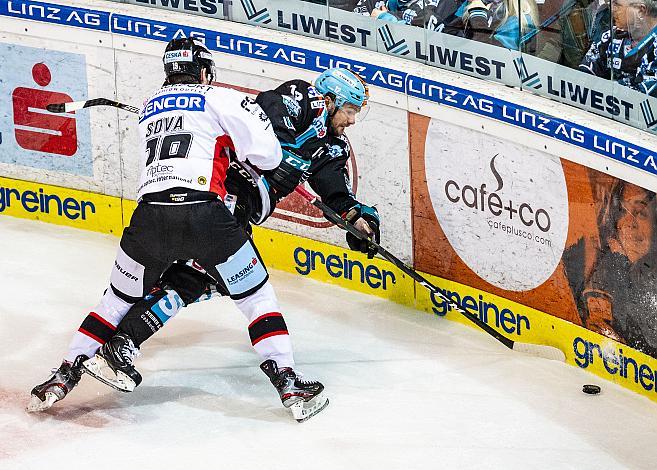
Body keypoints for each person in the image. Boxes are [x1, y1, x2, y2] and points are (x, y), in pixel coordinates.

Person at [27, 38, 328, 421]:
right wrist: (235, 150)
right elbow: (267, 155)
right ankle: (287, 382)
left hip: (149, 219)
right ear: (204, 70)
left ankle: (63, 374)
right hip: (207, 217)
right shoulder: (221, 97)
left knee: (115, 301)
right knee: (256, 299)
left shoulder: (150, 108)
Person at [80, 68, 379, 423]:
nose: (353, 120)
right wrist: (290, 152)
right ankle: (285, 380)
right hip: (225, 191)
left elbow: (336, 191)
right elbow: (265, 124)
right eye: (349, 110)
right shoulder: (301, 97)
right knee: (230, 285)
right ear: (330, 100)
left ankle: (120, 346)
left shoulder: (333, 145)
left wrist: (359, 219)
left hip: (242, 209)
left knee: (197, 278)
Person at [579, 0, 657, 95]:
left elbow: (642, 96)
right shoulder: (609, 37)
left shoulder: (654, 46)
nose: (612, 9)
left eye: (617, 4)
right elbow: (583, 76)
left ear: (641, 11)